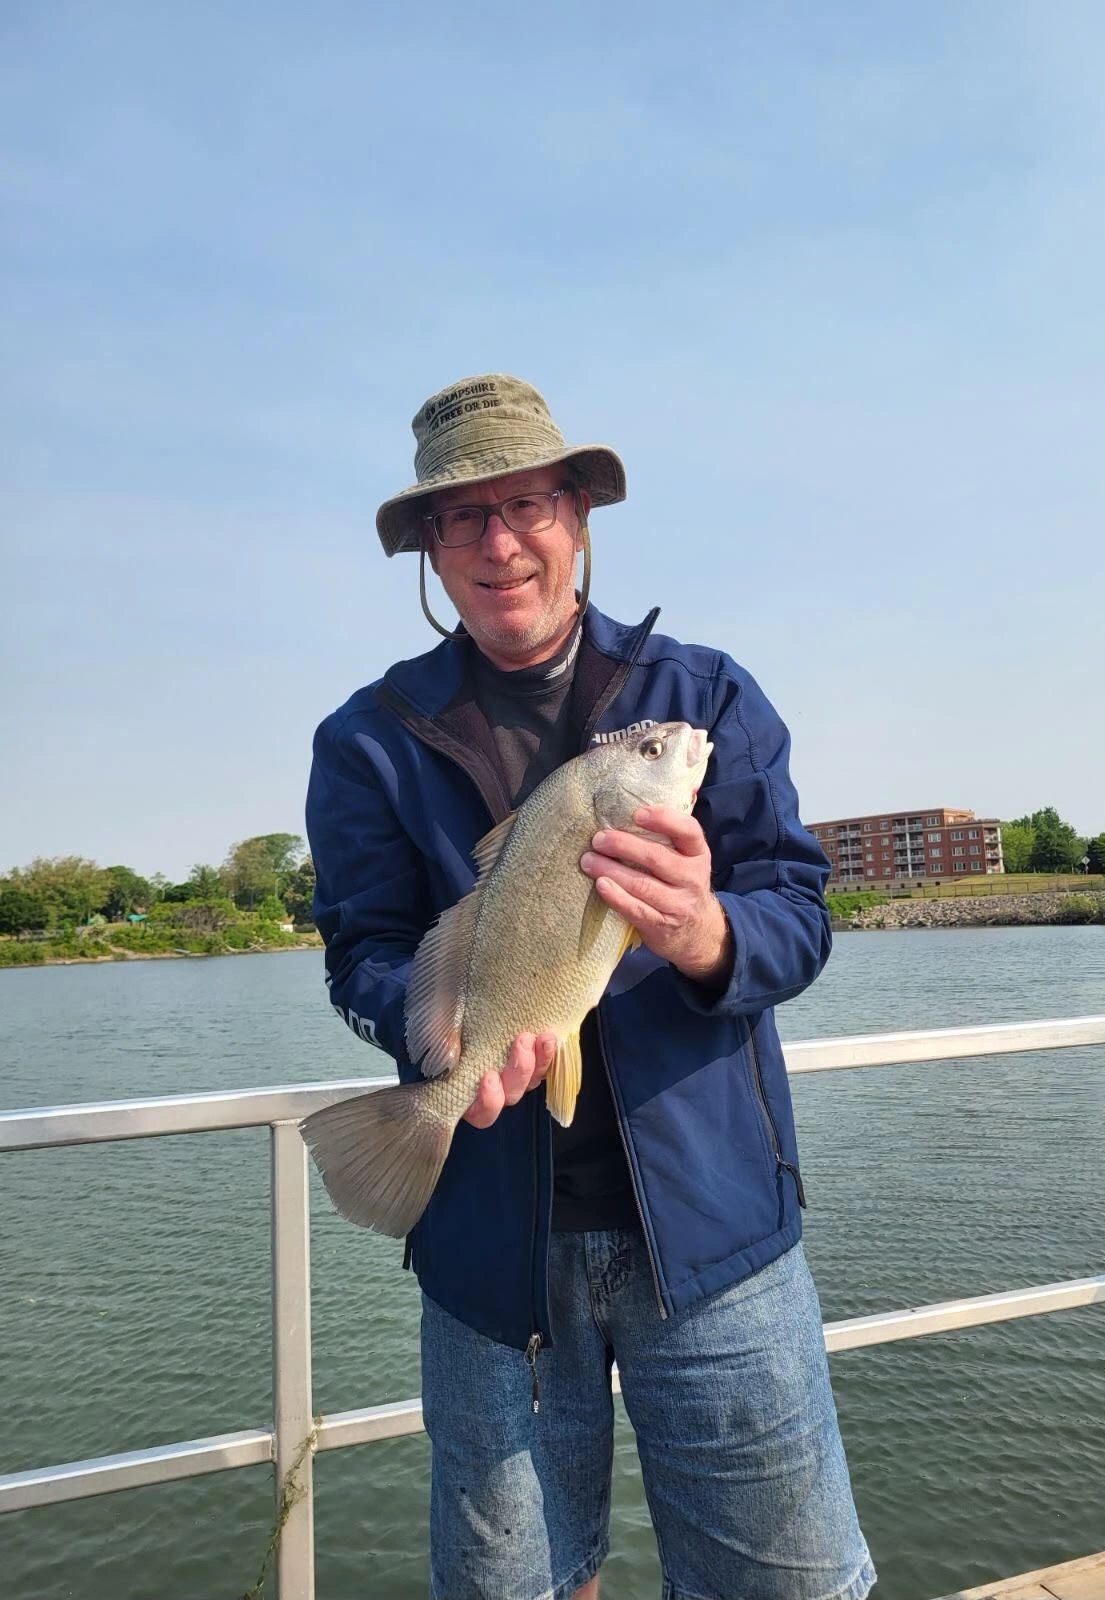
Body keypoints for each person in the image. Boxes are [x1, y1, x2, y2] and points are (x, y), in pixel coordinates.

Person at [306, 374, 875, 1600]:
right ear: (429, 552)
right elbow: (362, 953)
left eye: (526, 503)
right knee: (516, 1584)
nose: (500, 543)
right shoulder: (367, 739)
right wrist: (435, 1038)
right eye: (461, 520)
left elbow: (800, 916)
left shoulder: (704, 701)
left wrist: (710, 930)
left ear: (579, 515)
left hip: (719, 1243)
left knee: (789, 1582)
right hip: (489, 1259)